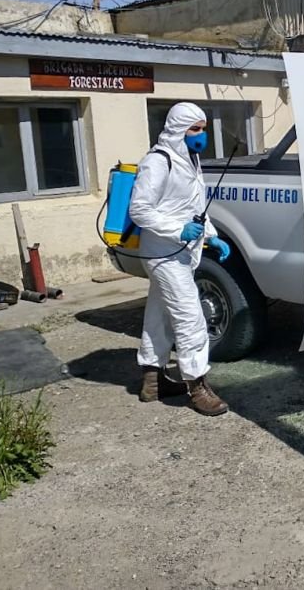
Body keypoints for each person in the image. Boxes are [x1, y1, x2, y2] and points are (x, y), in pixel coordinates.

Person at [129, 102, 232, 416]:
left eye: (203, 129)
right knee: (191, 319)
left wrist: (210, 234)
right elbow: (140, 209)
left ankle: (153, 382)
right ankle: (197, 385)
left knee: (159, 315)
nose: (202, 135)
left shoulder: (190, 159)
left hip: (181, 252)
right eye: (195, 129)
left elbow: (192, 206)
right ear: (177, 129)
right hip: (162, 253)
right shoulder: (158, 162)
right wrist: (178, 230)